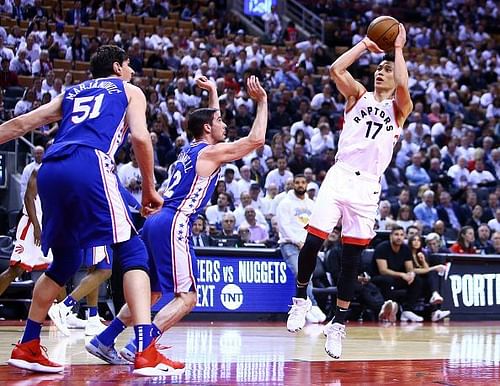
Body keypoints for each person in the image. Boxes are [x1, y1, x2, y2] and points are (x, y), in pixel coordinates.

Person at [0, 45, 173, 376]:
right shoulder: (129, 90)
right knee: (133, 251)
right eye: (129, 66)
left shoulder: (72, 92)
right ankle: (146, 351)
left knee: (65, 261)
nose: (133, 71)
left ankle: (29, 344)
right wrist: (150, 188)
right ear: (119, 67)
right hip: (89, 162)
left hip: (50, 167)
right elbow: (140, 137)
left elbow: (23, 122)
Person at [88, 75, 268, 366]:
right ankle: (140, 346)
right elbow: (256, 140)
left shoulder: (189, 150)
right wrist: (263, 102)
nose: (225, 125)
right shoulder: (212, 152)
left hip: (156, 221)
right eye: (220, 122)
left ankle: (105, 340)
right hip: (174, 221)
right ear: (208, 129)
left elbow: (210, 120)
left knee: (155, 291)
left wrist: (212, 92)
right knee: (188, 298)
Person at [286, 24, 413, 359]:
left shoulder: (400, 109)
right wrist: (364, 45)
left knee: (350, 258)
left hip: (368, 185)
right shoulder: (358, 94)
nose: (381, 73)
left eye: (387, 70)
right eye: (379, 69)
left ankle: (338, 324)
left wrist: (397, 50)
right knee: (313, 241)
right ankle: (299, 300)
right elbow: (335, 69)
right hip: (340, 174)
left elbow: (403, 85)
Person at [277, 174, 325, 324]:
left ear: (307, 184)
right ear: (292, 184)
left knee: (307, 275)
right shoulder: (285, 203)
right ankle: (311, 306)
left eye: (303, 182)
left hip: (308, 245)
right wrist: (297, 241)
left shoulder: (312, 204)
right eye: (297, 182)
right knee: (300, 273)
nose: (300, 185)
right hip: (289, 244)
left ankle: (306, 307)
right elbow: (283, 226)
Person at [0, 169, 52, 296]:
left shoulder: (65, 173)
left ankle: (63, 311)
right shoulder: (40, 171)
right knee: (16, 269)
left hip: (48, 227)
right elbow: (28, 198)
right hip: (32, 226)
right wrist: (36, 226)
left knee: (56, 271)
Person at [407, 234, 450, 322]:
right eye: (414, 240)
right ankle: (434, 297)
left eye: (418, 240)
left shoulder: (422, 254)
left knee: (432, 275)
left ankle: (435, 311)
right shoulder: (406, 253)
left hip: (421, 279)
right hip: (411, 278)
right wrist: (433, 268)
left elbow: (426, 269)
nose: (416, 242)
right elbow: (412, 270)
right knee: (430, 273)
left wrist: (423, 260)